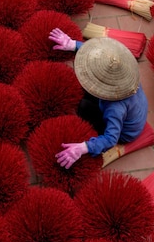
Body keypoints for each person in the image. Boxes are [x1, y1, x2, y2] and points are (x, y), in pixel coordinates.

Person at [49, 27, 148, 169]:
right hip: (135, 109)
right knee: (84, 87)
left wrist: (85, 147)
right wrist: (73, 44)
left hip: (126, 132)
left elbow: (111, 139)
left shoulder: (115, 108)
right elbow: (100, 56)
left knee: (83, 106)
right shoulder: (125, 68)